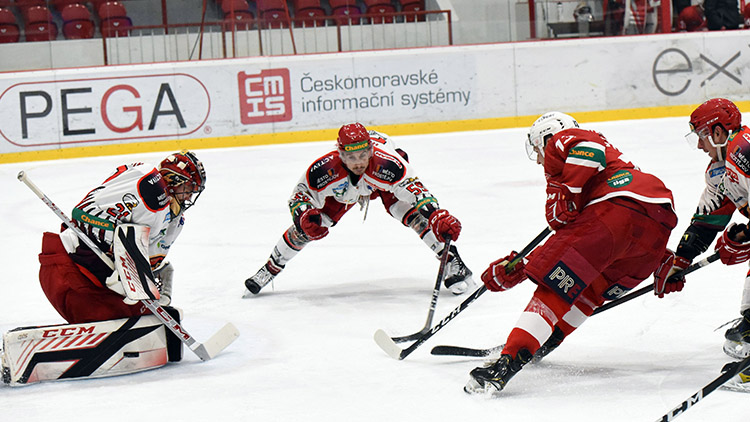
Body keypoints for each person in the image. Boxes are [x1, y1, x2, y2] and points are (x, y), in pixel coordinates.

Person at [464, 112, 677, 394]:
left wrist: (566, 190)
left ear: (546, 136)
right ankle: (548, 339)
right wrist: (526, 264)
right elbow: (584, 242)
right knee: (590, 290)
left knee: (555, 286)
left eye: (537, 150)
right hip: (654, 235)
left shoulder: (562, 142)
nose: (539, 160)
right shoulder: (609, 171)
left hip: (617, 213)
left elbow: (589, 150)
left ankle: (508, 362)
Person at [243, 123, 474, 297]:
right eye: (351, 157)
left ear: (371, 150)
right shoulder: (325, 168)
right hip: (345, 190)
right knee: (309, 226)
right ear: (340, 154)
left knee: (409, 213)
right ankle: (271, 268)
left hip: (380, 183)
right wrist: (303, 215)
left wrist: (435, 214)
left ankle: (452, 261)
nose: (359, 162)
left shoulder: (388, 165)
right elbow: (300, 195)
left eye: (363, 154)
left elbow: (416, 190)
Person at [38, 151, 206, 324]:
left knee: (146, 316)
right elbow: (84, 213)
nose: (188, 198)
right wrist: (129, 275)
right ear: (173, 180)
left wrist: (158, 268)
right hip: (68, 271)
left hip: (88, 275)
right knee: (131, 320)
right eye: (187, 190)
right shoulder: (151, 193)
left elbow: (141, 255)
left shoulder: (170, 216)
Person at [653, 98, 750, 391]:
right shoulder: (720, 171)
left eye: (701, 136)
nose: (699, 146)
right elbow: (708, 221)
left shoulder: (744, 149)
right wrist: (680, 261)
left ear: (718, 132)